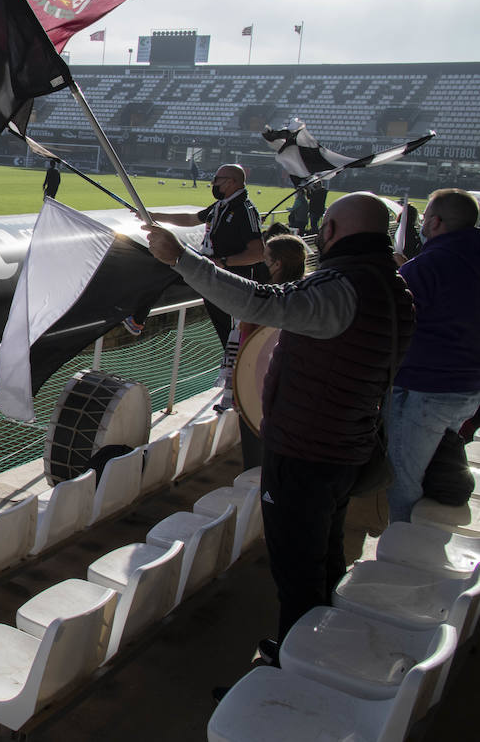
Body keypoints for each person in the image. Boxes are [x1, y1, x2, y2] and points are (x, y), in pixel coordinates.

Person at [144, 193, 414, 652]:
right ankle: (321, 644)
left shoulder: (341, 290)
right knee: (325, 554)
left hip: (308, 452)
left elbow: (258, 303)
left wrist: (179, 259)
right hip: (348, 446)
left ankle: (297, 665)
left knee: (297, 569)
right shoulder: (395, 291)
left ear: (329, 232)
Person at [385, 189, 480, 523]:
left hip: (424, 390)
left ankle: (401, 554)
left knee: (401, 479)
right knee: (429, 466)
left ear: (436, 222)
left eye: (426, 218)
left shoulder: (427, 265)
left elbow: (390, 320)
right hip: (467, 390)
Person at [147, 163, 266, 347]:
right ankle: (139, 315)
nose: (213, 183)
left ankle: (236, 370)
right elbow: (190, 219)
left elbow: (258, 253)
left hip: (231, 283)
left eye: (217, 180)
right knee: (167, 267)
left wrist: (223, 262)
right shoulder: (220, 205)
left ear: (232, 182)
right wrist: (153, 216)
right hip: (211, 275)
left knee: (233, 334)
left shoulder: (245, 209)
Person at [225, 233, 309, 470]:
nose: (262, 263)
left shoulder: (264, 300)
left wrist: (236, 391)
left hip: (258, 392)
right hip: (297, 396)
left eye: (266, 258)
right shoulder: (309, 296)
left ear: (277, 264)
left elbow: (246, 350)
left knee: (256, 458)